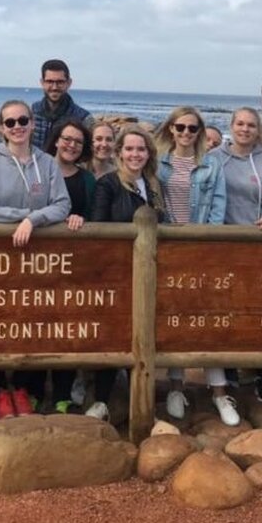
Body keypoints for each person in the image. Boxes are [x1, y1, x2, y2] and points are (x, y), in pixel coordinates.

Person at [0, 100, 70, 417]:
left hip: (37, 259)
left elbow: (62, 205)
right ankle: (1, 388)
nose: (17, 127)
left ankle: (25, 388)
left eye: (22, 120)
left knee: (32, 321)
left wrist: (34, 221)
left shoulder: (48, 162)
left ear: (31, 123)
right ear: (0, 127)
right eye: (9, 122)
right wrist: (25, 216)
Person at [155, 106, 237, 426]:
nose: (186, 133)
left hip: (200, 249)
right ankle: (177, 387)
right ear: (171, 129)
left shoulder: (211, 164)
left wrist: (206, 244)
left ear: (200, 132)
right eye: (181, 127)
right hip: (167, 249)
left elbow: (218, 207)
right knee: (174, 319)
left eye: (192, 128)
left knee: (207, 320)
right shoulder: (159, 162)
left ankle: (219, 393)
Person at [90, 125, 164, 420]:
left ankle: (142, 400)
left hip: (148, 273)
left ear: (149, 153)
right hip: (117, 273)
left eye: (141, 149)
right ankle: (101, 400)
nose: (135, 154)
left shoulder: (155, 186)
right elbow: (98, 226)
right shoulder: (107, 184)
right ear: (119, 153)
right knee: (114, 334)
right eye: (130, 149)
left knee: (145, 333)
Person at [216, 107, 262, 404]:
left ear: (258, 130)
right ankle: (227, 371)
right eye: (240, 124)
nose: (245, 129)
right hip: (221, 246)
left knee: (257, 310)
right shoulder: (215, 157)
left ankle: (261, 374)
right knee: (225, 308)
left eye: (251, 125)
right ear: (231, 126)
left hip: (256, 245)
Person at [42, 119, 97, 415]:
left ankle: (62, 396)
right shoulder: (38, 168)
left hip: (73, 264)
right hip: (37, 261)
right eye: (67, 139)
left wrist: (82, 220)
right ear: (56, 140)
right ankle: (34, 392)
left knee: (65, 327)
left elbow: (92, 214)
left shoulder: (87, 180)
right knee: (36, 327)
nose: (71, 145)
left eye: (77, 141)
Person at [31, 59, 94, 150]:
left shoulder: (83, 119)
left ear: (69, 83)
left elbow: (89, 154)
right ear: (42, 83)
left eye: (60, 82)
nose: (55, 87)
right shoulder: (32, 113)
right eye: (50, 81)